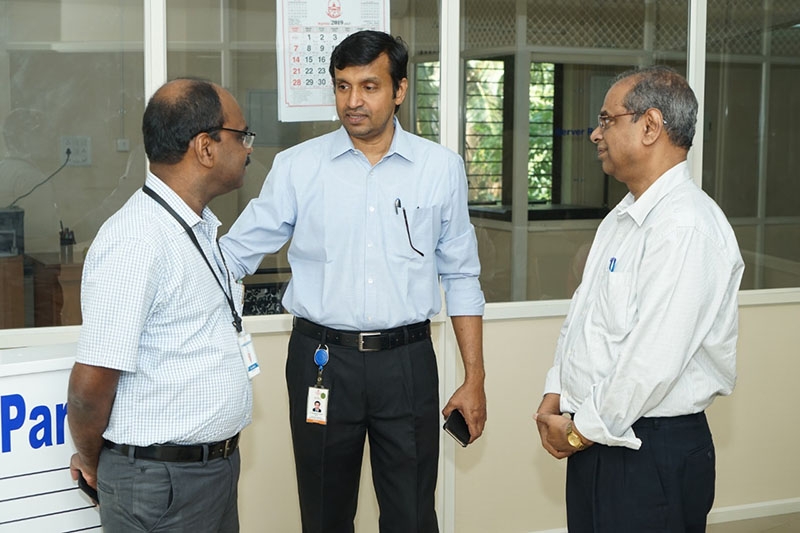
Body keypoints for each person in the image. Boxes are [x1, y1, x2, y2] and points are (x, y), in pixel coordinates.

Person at [220, 30, 487, 533]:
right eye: (343, 87)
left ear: (400, 90)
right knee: (324, 512)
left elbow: (462, 275)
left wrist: (475, 378)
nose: (353, 101)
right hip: (321, 363)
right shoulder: (298, 167)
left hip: (407, 363)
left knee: (412, 515)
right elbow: (234, 255)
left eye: (369, 86)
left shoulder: (440, 169)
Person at [534, 65, 744, 533]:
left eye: (607, 120)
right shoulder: (623, 217)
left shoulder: (686, 227)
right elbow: (583, 319)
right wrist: (556, 395)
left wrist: (578, 432)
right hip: (597, 433)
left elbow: (651, 362)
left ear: (650, 126)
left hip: (651, 451)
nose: (595, 134)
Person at [67, 78, 255, 532]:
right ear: (205, 147)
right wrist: (94, 462)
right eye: (241, 136)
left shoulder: (194, 227)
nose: (248, 149)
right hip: (162, 484)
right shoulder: (137, 239)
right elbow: (91, 383)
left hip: (210, 473)